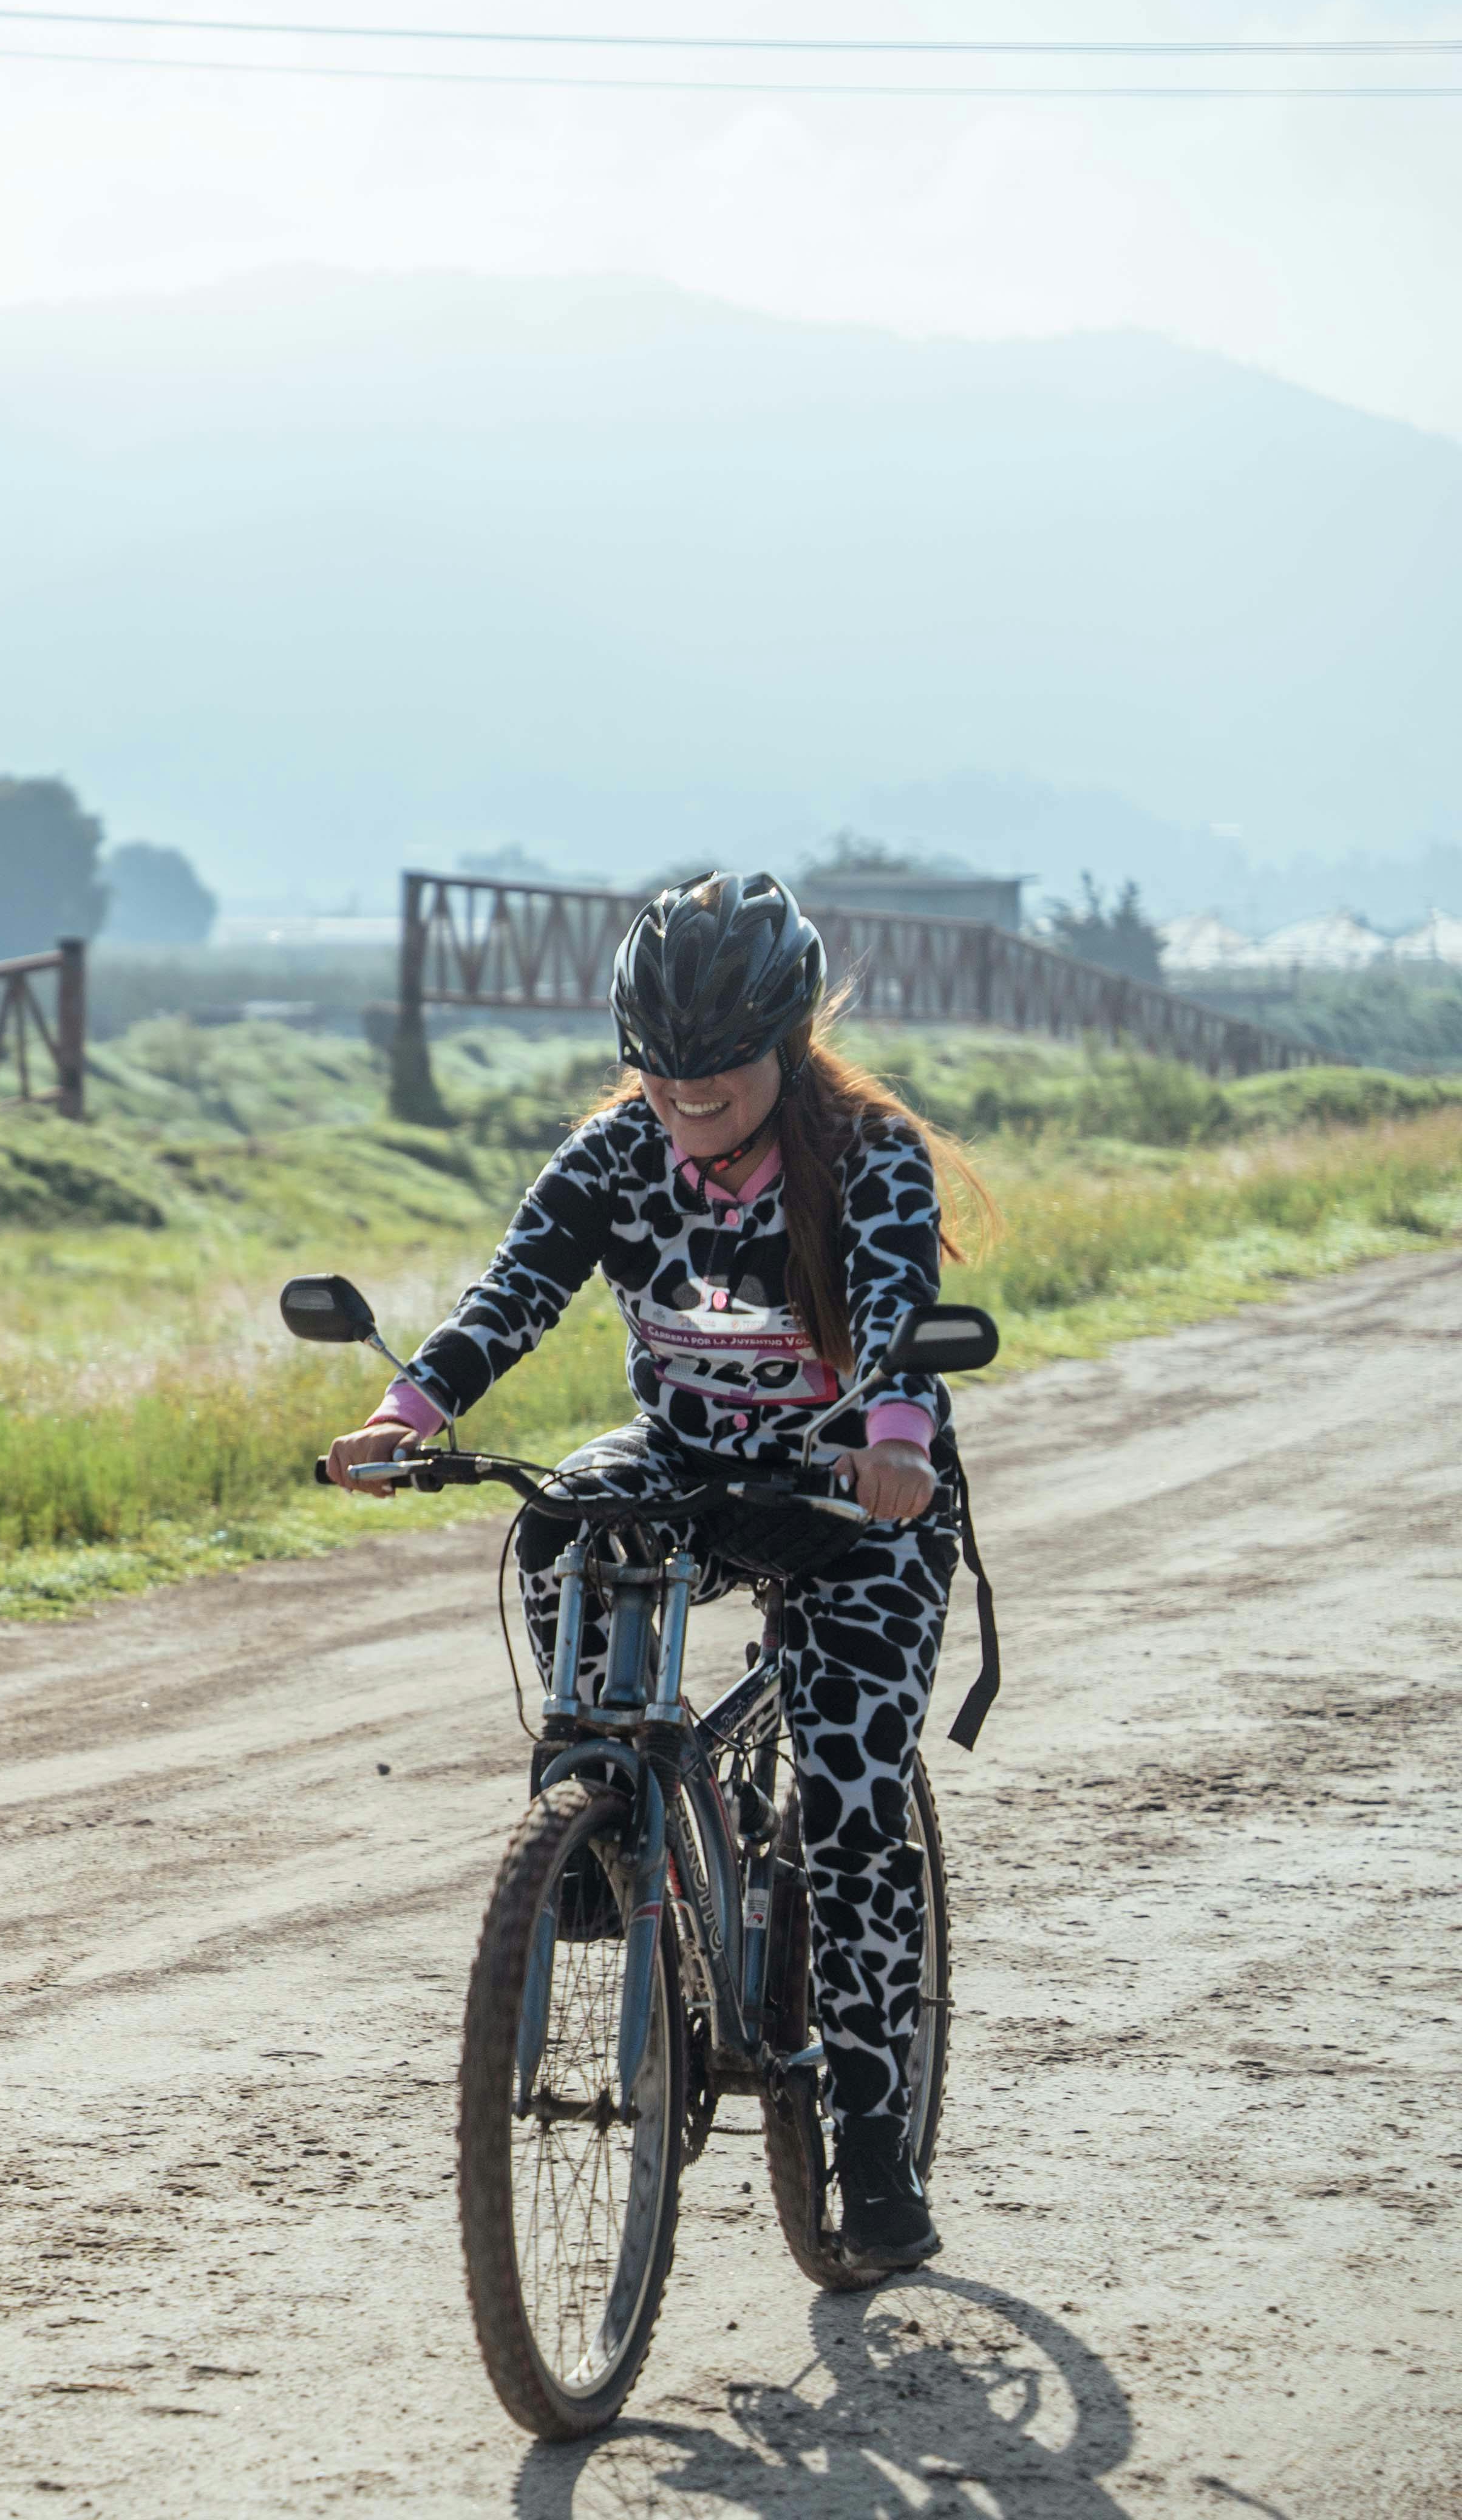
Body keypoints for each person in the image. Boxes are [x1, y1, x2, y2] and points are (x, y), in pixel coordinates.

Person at [326, 871, 986, 2268]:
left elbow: (892, 1314)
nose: (684, 1093)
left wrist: (893, 1436)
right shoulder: (611, 1155)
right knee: (559, 1513)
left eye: (717, 1070)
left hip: (851, 1490)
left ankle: (871, 2144)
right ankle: (604, 1800)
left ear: (786, 1042)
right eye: (660, 1067)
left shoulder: (868, 1155)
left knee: (857, 1809)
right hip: (687, 1457)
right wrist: (408, 1415)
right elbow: (510, 1293)